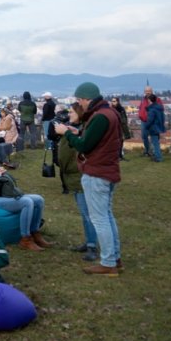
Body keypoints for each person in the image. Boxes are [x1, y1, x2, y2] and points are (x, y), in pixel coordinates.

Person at [55, 81, 123, 276]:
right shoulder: (110, 113)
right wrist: (79, 132)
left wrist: (67, 133)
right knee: (107, 216)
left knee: (99, 219)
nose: (79, 104)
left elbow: (84, 146)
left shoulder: (100, 117)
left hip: (97, 172)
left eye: (80, 100)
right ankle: (115, 257)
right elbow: (97, 139)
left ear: (86, 99)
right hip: (108, 169)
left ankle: (108, 262)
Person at [53, 103, 98, 262]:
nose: (69, 115)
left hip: (79, 175)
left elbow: (76, 155)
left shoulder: (81, 133)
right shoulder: (78, 130)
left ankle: (92, 246)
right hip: (75, 176)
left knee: (88, 214)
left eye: (72, 112)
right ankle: (89, 241)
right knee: (85, 213)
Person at [138, 85, 161, 157]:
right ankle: (147, 151)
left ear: (152, 91)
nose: (147, 92)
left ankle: (153, 152)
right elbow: (140, 108)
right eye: (146, 91)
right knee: (144, 136)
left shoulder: (156, 99)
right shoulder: (143, 100)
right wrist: (140, 114)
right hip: (144, 121)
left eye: (149, 91)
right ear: (144, 92)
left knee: (154, 137)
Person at [145, 94, 165, 163]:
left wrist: (146, 126)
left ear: (150, 100)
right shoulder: (159, 108)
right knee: (156, 142)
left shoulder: (152, 110)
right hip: (158, 127)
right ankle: (156, 156)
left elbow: (150, 120)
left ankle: (158, 158)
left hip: (153, 128)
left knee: (155, 143)